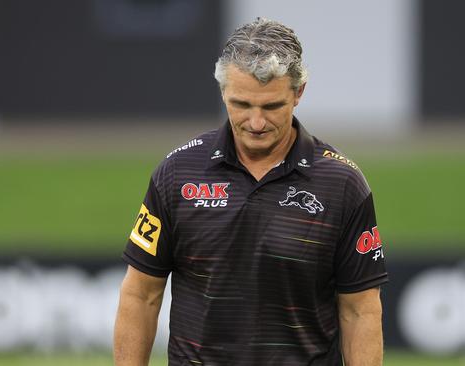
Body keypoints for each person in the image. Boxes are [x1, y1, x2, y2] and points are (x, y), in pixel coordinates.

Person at [114, 18, 388, 366]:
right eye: (241, 104)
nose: (256, 123)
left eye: (272, 106)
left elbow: (360, 310)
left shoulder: (342, 184)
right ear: (222, 92)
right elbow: (141, 294)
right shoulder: (177, 174)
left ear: (299, 92)